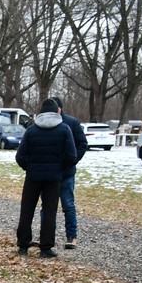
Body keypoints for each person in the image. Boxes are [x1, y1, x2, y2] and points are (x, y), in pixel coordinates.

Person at [14, 98, 77, 259]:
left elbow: (20, 156)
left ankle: (23, 245)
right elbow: (71, 155)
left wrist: (29, 167)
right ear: (57, 111)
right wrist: (60, 169)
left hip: (33, 176)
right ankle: (46, 247)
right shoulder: (64, 130)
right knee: (50, 212)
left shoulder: (32, 130)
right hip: (53, 177)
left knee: (27, 210)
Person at [50, 96, 87, 248]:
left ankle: (72, 236)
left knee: (68, 205)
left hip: (66, 172)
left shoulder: (71, 123)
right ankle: (46, 236)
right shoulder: (45, 123)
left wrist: (72, 160)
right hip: (50, 172)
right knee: (48, 206)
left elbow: (82, 144)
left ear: (60, 108)